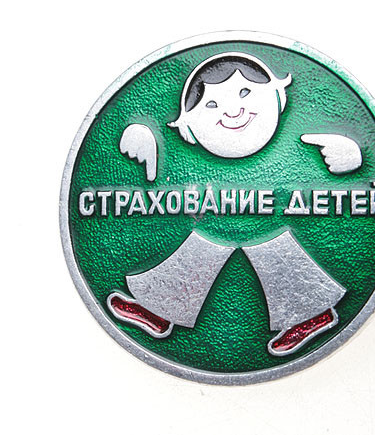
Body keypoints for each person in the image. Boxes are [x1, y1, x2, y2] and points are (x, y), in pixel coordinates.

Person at [107, 53, 346, 356]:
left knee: (281, 259)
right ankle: (157, 311)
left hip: (267, 224)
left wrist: (348, 157)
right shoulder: (192, 163)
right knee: (198, 254)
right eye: (211, 105)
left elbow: (333, 175)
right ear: (188, 125)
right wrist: (143, 140)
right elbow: (159, 180)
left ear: (276, 94)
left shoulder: (296, 149)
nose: (233, 111)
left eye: (245, 92)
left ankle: (311, 317)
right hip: (220, 224)